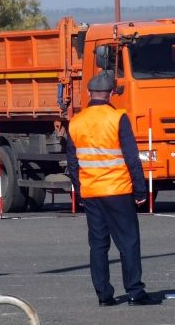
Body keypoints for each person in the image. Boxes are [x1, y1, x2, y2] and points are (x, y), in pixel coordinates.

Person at [66, 72, 162, 307]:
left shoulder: (75, 122)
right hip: (118, 190)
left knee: (98, 245)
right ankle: (135, 292)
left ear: (89, 93)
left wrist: (79, 191)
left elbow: (72, 162)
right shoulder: (118, 117)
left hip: (91, 192)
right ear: (110, 94)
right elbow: (131, 158)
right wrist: (140, 191)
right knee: (128, 242)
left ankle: (104, 295)